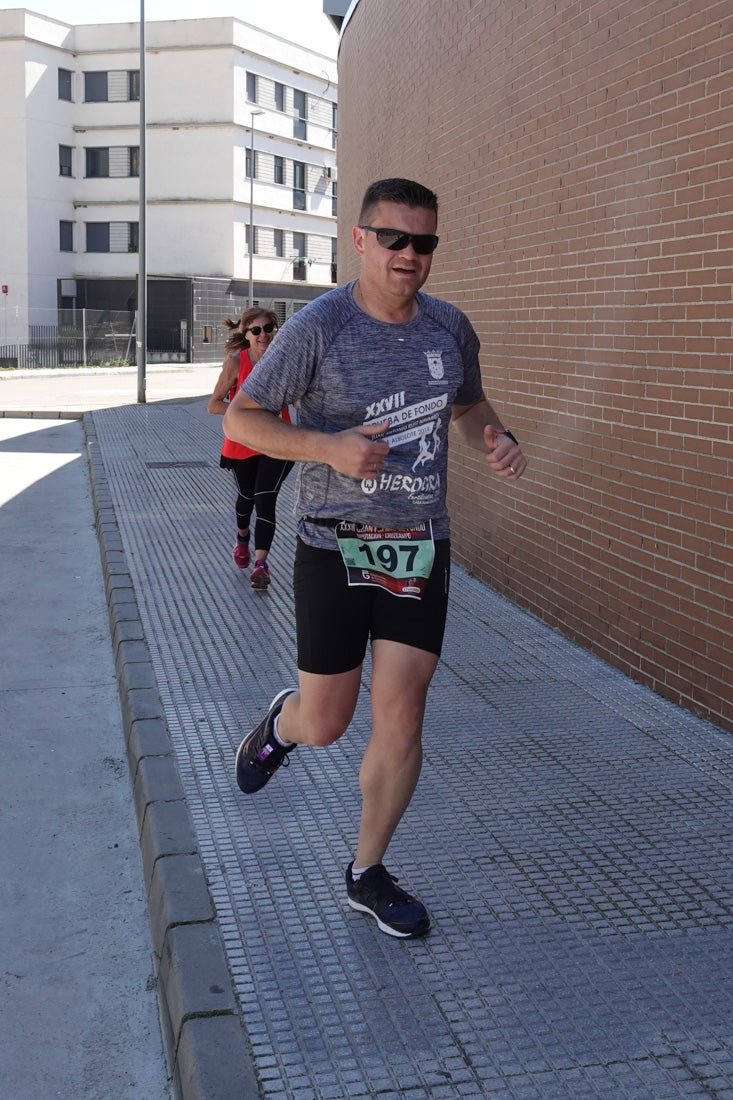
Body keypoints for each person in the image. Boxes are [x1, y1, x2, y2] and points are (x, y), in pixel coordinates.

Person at [223, 177, 527, 937]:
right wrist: (326, 445)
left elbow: (466, 405)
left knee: (401, 715)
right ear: (358, 239)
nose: (409, 255)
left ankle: (367, 871)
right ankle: (279, 728)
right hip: (333, 542)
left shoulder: (448, 329)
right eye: (394, 238)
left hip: (418, 544)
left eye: (423, 242)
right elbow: (243, 415)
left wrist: (493, 435)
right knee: (326, 721)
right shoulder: (318, 328)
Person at [208, 308, 293, 589]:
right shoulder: (236, 362)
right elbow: (214, 403)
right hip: (243, 442)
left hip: (277, 440)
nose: (263, 335)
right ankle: (242, 537)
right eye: (255, 330)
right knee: (247, 498)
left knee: (265, 497)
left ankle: (261, 564)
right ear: (246, 335)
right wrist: (246, 414)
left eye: (268, 328)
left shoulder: (283, 360)